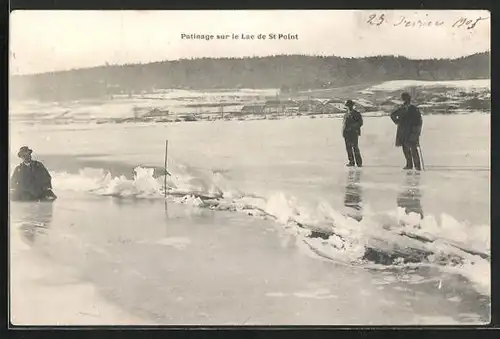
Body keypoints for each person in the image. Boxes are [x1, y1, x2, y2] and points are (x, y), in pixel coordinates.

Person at [390, 92, 423, 170]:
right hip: (403, 131)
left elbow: (419, 121)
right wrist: (397, 121)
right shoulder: (402, 108)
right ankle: (409, 165)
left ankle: (417, 166)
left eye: (407, 98)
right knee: (405, 148)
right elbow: (392, 115)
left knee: (413, 148)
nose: (406, 100)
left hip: (412, 131)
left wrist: (417, 131)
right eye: (404, 98)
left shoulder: (414, 109)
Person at [342, 100, 363, 167]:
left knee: (355, 148)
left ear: (352, 106)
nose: (348, 107)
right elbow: (344, 124)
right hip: (346, 134)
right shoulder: (346, 114)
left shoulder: (357, 113)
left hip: (354, 133)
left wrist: (352, 127)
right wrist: (343, 132)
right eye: (347, 106)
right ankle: (351, 162)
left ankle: (359, 162)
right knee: (348, 148)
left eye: (349, 106)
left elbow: (360, 123)